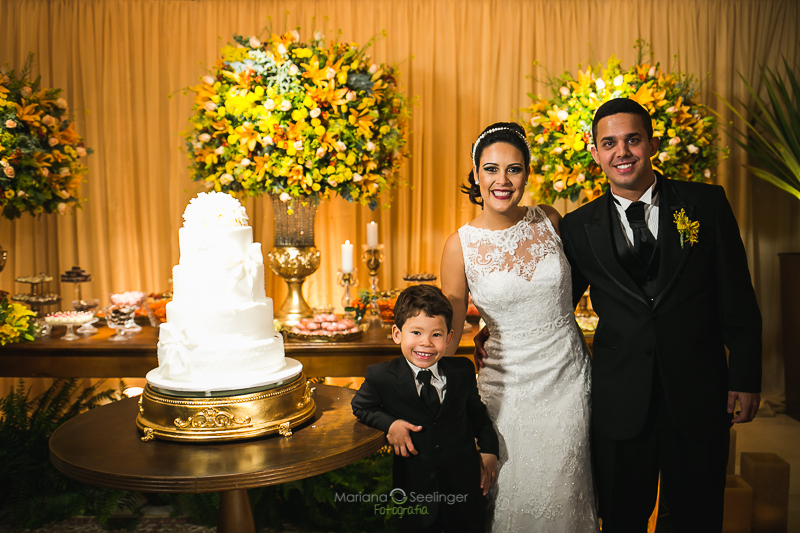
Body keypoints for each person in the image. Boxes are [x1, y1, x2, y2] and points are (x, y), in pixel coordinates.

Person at [477, 99, 763, 532]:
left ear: (651, 144)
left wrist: (745, 376)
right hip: (620, 399)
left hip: (698, 391)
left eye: (632, 139)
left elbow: (738, 296)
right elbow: (552, 297)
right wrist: (495, 330)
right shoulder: (577, 226)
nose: (621, 152)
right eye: (609, 143)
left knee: (697, 515)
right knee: (622, 517)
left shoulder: (705, 203)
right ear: (595, 152)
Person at [440, 122, 599, 532]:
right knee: (510, 495)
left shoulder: (550, 219)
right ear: (476, 175)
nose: (502, 180)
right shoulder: (460, 245)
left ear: (527, 174)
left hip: (568, 381)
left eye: (514, 169)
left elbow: (579, 282)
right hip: (505, 390)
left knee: (567, 491)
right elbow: (451, 322)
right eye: (491, 169)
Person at [351, 284, 499, 533]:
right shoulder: (381, 377)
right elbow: (361, 407)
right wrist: (391, 424)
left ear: (449, 337)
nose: (426, 343)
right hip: (415, 494)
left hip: (464, 488)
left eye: (436, 335)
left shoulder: (461, 371)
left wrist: (489, 452)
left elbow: (478, 415)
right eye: (416, 332)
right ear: (397, 334)